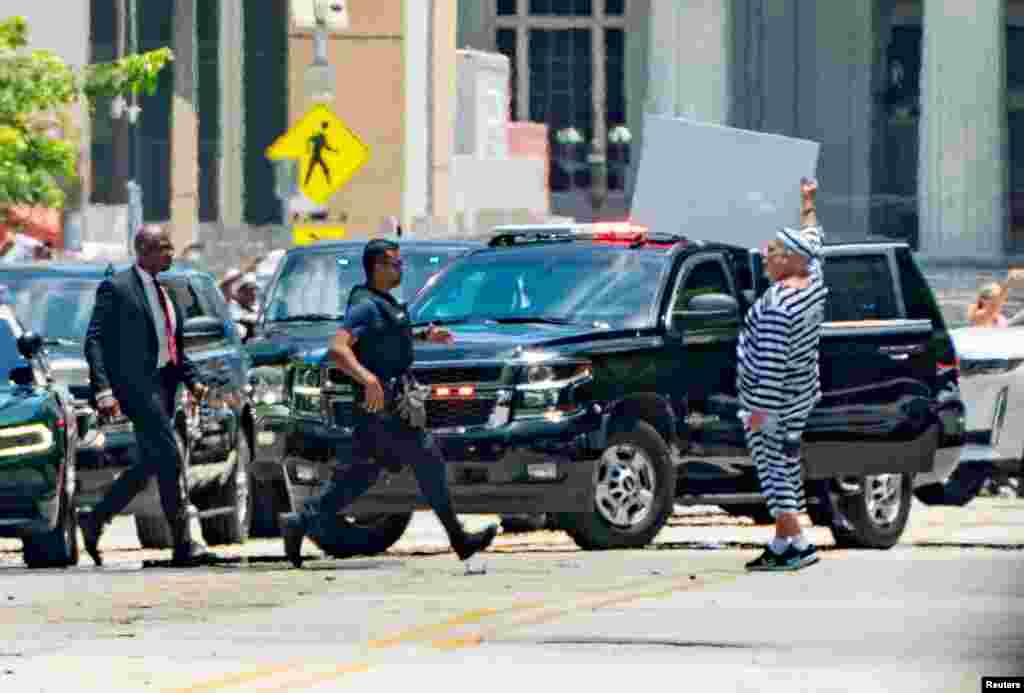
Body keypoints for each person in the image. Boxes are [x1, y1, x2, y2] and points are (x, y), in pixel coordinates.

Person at [281, 239, 498, 568]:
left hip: (386, 409)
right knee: (428, 463)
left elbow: (388, 338)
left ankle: (301, 521)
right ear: (377, 267)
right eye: (395, 264)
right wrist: (367, 379)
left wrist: (425, 336)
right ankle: (460, 539)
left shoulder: (385, 304)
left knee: (360, 476)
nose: (401, 269)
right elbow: (338, 349)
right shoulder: (365, 306)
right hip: (383, 411)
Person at [78, 225, 213, 567]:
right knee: (170, 456)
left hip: (165, 387)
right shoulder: (117, 287)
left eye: (170, 247)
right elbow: (94, 340)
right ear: (143, 250)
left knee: (152, 462)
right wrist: (104, 390)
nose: (171, 253)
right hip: (137, 388)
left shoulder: (166, 291)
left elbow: (174, 346)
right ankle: (183, 543)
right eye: (163, 247)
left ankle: (96, 519)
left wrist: (193, 380)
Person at [736, 178, 827, 571]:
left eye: (772, 252)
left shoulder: (778, 305)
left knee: (774, 470)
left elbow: (770, 369)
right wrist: (808, 201)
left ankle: (798, 543)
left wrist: (759, 415)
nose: (764, 256)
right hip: (801, 394)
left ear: (790, 259)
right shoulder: (813, 279)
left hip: (773, 401)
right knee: (786, 464)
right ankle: (781, 544)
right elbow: (814, 238)